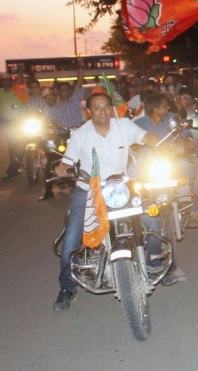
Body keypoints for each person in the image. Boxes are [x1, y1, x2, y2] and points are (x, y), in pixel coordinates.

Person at [51, 92, 161, 311]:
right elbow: (68, 160)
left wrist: (162, 145)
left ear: (112, 108)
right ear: (89, 111)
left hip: (121, 186)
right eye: (97, 108)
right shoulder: (81, 134)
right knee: (72, 239)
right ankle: (67, 287)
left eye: (105, 107)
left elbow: (146, 137)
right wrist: (62, 167)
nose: (102, 111)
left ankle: (154, 264)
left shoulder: (124, 126)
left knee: (152, 220)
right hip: (89, 190)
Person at [135, 93, 198, 228]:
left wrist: (186, 141)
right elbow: (132, 144)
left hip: (174, 162)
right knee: (133, 178)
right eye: (164, 106)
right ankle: (138, 209)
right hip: (148, 165)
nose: (168, 108)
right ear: (154, 109)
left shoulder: (173, 119)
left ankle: (195, 210)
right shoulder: (138, 124)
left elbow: (187, 136)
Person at [0, 74, 24, 181]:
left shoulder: (18, 90)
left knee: (21, 145)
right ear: (1, 82)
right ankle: (15, 167)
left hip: (22, 122)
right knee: (12, 147)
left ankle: (11, 170)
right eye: (4, 80)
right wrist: (0, 126)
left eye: (8, 80)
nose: (6, 82)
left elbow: (27, 102)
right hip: (8, 123)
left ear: (11, 81)